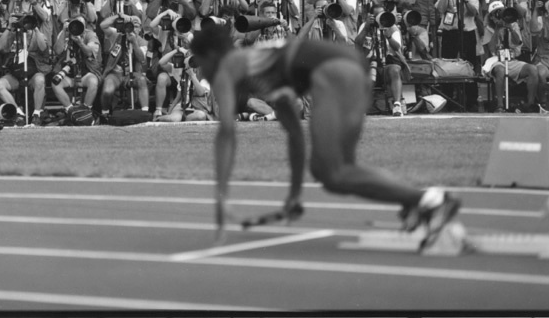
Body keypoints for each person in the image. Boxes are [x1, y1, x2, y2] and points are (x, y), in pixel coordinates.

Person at [189, 25, 461, 249]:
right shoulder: (265, 71)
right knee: (339, 172)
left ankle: (431, 200)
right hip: (355, 70)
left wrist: (220, 195)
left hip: (332, 72)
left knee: (333, 173)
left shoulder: (228, 66)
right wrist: (295, 194)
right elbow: (295, 135)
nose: (202, 71)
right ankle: (414, 200)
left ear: (211, 56)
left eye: (199, 63)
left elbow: (226, 133)